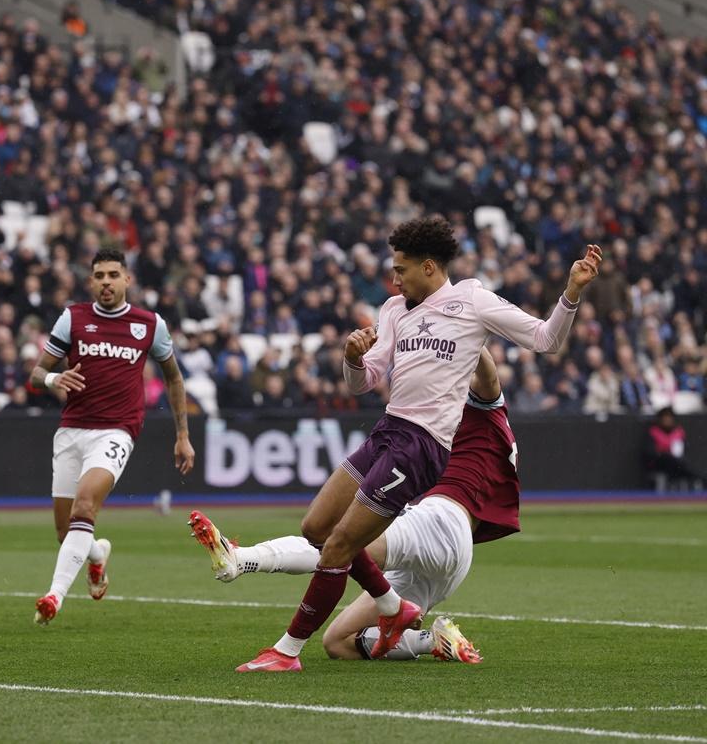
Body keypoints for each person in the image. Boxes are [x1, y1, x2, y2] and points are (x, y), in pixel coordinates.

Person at [205, 216, 599, 671]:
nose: (394, 278)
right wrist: (353, 359)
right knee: (315, 526)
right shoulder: (394, 310)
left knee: (337, 548)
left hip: (421, 447)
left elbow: (547, 340)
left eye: (401, 269)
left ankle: (286, 651)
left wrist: (572, 292)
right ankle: (395, 608)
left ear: (429, 267)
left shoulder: (472, 300)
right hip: (387, 430)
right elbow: (364, 381)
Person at [190, 347, 518, 667]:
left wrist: (468, 331)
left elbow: (488, 380)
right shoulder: (446, 414)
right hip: (452, 552)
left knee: (339, 541)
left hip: (441, 522)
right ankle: (435, 640)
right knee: (339, 643)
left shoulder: (480, 407)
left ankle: (244, 558)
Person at [30, 249, 195, 624]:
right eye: (99, 275)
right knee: (65, 531)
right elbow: (37, 374)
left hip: (117, 432)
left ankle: (54, 597)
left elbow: (173, 377)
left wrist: (182, 435)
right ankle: (98, 556)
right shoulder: (73, 318)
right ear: (91, 281)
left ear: (127, 280)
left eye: (113, 275)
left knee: (85, 507)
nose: (106, 281)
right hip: (71, 431)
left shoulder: (149, 324)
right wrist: (56, 378)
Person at [644, 407, 703, 491]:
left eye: (669, 417)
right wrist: (663, 453)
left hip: (677, 463)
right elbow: (649, 451)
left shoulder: (678, 432)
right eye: (665, 417)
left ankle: (695, 477)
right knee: (669, 458)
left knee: (679, 462)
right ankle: (698, 477)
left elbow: (683, 448)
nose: (667, 420)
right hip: (660, 462)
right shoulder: (654, 431)